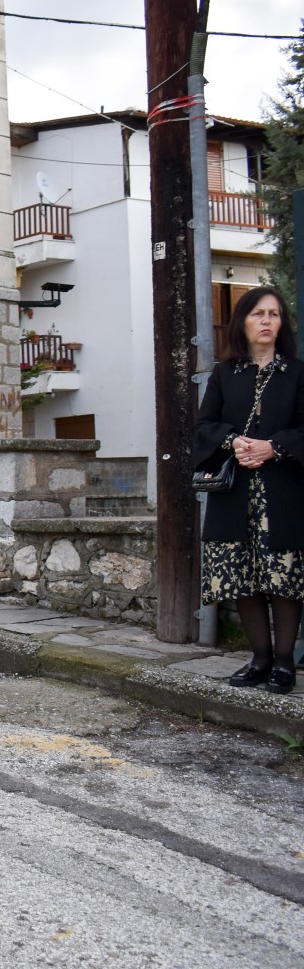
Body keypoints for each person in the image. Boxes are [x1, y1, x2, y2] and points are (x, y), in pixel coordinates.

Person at [195, 287, 304, 696]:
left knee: (283, 577)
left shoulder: (298, 373)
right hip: (235, 494)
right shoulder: (225, 375)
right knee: (240, 575)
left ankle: (284, 663)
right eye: (258, 313)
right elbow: (203, 427)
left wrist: (275, 447)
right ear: (242, 321)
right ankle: (259, 659)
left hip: (283, 494)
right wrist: (234, 442)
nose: (266, 321)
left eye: (274, 314)